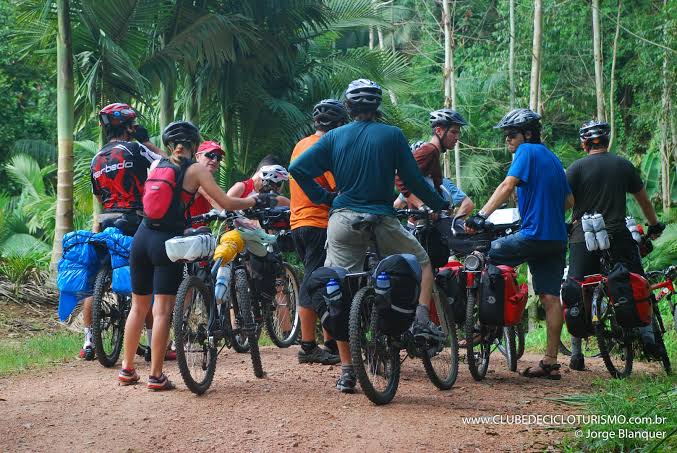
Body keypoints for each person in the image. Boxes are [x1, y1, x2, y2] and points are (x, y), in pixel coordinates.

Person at [289, 79, 449, 393]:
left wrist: (323, 197)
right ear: (377, 108)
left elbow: (297, 168)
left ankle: (348, 370)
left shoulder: (335, 136)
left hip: (343, 220)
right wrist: (439, 205)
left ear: (348, 108)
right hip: (381, 218)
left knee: (340, 286)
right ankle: (419, 319)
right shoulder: (391, 135)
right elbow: (413, 181)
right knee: (423, 263)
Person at [118, 121, 276, 390]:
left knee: (138, 306)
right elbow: (226, 203)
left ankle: (127, 369)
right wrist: (253, 201)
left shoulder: (158, 166)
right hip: (165, 242)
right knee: (162, 311)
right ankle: (156, 376)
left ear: (170, 145)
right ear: (193, 145)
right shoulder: (195, 170)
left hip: (141, 238)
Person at [465, 108, 573, 380]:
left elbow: (507, 184)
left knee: (487, 256)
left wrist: (480, 216)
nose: (508, 141)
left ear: (527, 134)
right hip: (556, 238)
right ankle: (549, 361)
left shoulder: (526, 152)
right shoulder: (554, 159)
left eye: (511, 135)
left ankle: (482, 322)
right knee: (550, 297)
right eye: (506, 136)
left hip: (533, 234)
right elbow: (570, 202)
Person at [565, 120, 665, 371]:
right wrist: (653, 225)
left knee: (577, 286)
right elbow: (643, 200)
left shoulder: (575, 168)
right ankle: (647, 336)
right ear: (607, 141)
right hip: (618, 235)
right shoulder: (623, 165)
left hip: (582, 237)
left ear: (584, 144)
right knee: (637, 280)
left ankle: (576, 354)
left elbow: (565, 203)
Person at [81, 103, 164, 360]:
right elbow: (167, 165)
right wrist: (148, 142)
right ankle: (153, 345)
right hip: (135, 221)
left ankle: (88, 342)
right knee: (146, 281)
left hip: (107, 221)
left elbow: (99, 195)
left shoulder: (96, 159)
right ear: (130, 127)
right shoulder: (136, 148)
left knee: (97, 280)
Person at [290, 99, 349, 366]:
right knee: (312, 281)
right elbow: (340, 186)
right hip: (318, 223)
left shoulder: (301, 145)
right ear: (338, 126)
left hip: (298, 223)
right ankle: (307, 346)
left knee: (324, 281)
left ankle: (330, 341)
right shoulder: (326, 148)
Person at [395, 109, 474, 217]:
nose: (457, 137)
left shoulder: (434, 153)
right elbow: (400, 177)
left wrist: (441, 206)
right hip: (420, 223)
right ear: (438, 131)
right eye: (453, 132)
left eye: (458, 133)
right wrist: (421, 205)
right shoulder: (429, 151)